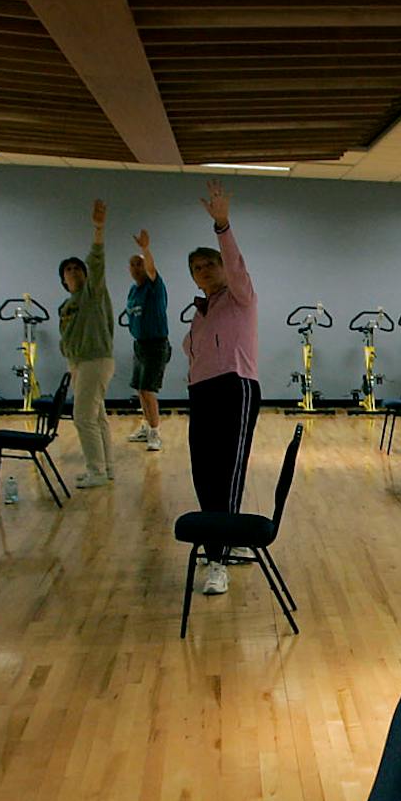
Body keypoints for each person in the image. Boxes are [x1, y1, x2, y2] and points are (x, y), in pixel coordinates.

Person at [183, 177, 260, 597]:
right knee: (204, 473)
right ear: (194, 278)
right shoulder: (200, 312)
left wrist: (222, 225)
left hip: (236, 388)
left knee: (228, 474)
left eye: (210, 264)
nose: (205, 271)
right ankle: (221, 542)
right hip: (203, 394)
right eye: (197, 269)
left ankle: (219, 558)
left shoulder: (240, 296)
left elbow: (235, 265)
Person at [58, 200, 116, 488]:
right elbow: (66, 342)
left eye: (77, 268)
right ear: (64, 280)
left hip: (96, 360)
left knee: (82, 418)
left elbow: (96, 260)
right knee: (98, 417)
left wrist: (98, 229)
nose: (74, 271)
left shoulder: (93, 295)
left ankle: (96, 471)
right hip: (79, 364)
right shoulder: (66, 307)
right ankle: (106, 467)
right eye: (68, 270)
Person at [124, 229, 169, 452]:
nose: (135, 268)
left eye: (139, 264)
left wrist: (145, 249)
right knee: (140, 390)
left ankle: (155, 433)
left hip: (156, 345)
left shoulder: (155, 287)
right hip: (139, 345)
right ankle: (145, 426)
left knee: (149, 390)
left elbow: (151, 268)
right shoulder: (134, 290)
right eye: (132, 265)